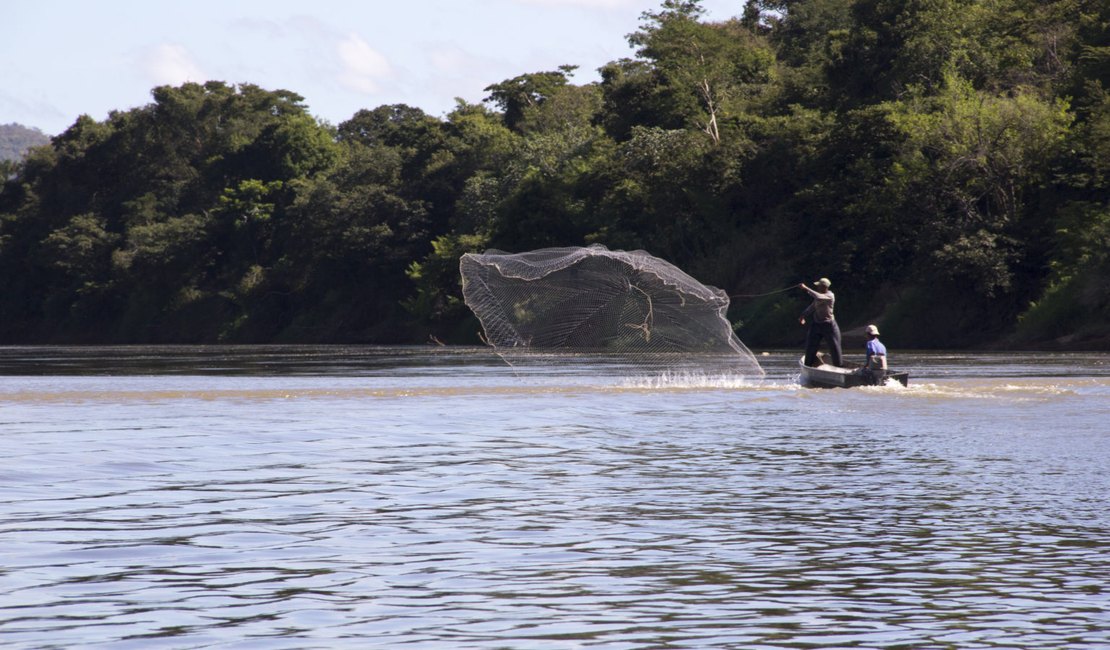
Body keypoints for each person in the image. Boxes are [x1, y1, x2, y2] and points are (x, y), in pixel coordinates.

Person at [799, 277, 842, 367]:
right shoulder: (818, 297)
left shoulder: (830, 295)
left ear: (824, 287)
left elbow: (818, 296)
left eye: (819, 286)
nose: (817, 288)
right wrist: (803, 315)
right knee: (810, 348)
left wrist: (806, 288)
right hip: (817, 325)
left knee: (835, 349)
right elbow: (812, 307)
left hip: (829, 326)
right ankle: (808, 366)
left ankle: (839, 367)